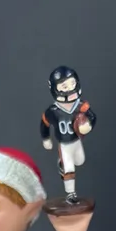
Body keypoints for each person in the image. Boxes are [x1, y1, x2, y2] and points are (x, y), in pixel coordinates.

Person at [40, 66, 96, 202]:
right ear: (55, 89)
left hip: (76, 141)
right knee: (69, 168)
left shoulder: (80, 105)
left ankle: (62, 164)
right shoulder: (53, 111)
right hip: (64, 144)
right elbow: (44, 124)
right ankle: (71, 194)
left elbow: (92, 116)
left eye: (72, 84)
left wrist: (88, 125)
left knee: (80, 161)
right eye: (64, 86)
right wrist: (46, 138)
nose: (70, 89)